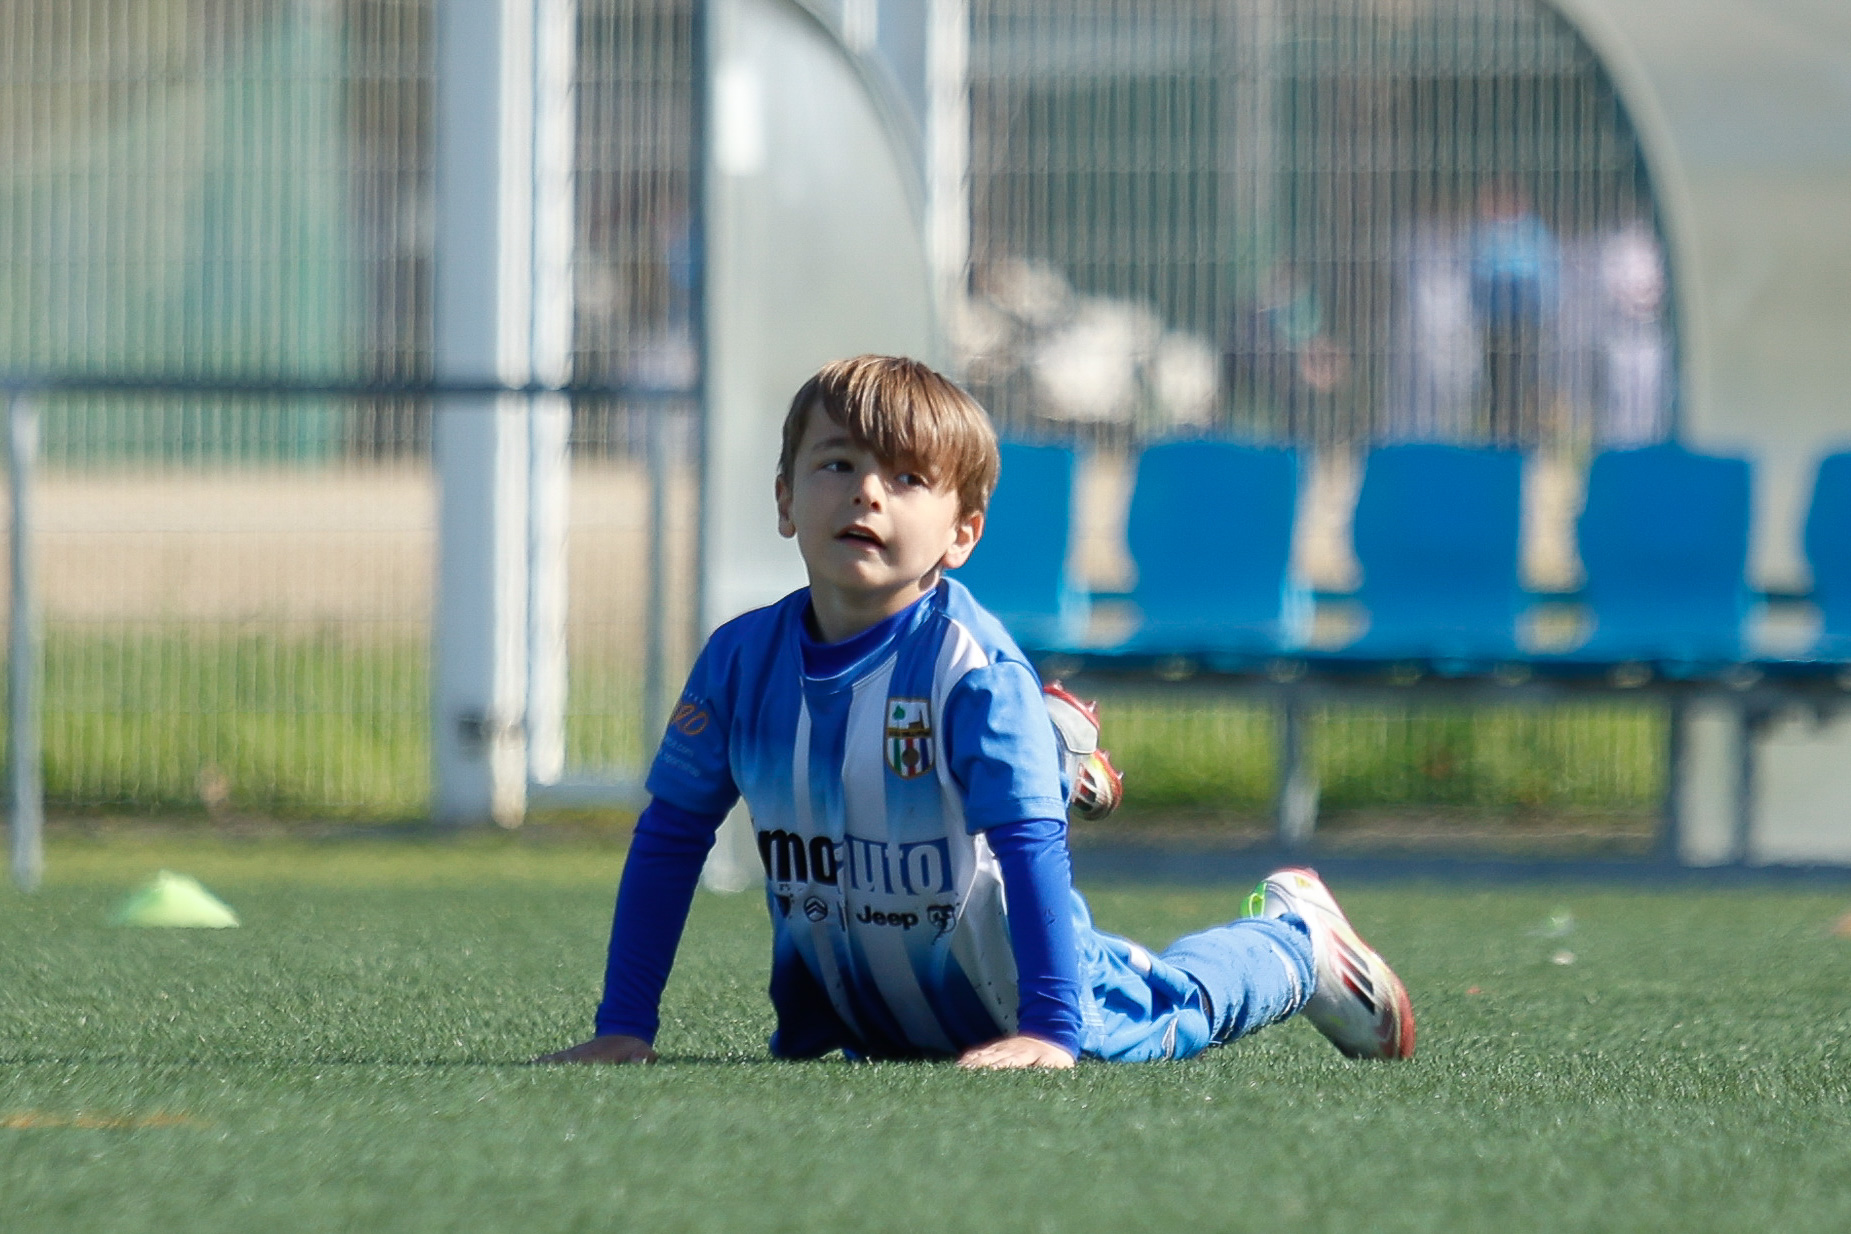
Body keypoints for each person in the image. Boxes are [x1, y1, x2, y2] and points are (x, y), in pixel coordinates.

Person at [540, 355, 1413, 1069]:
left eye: (906, 477)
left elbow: (1032, 850)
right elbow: (670, 838)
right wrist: (625, 1026)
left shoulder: (969, 670)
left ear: (962, 534)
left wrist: (1052, 1030)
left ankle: (1295, 941)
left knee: (1170, 1006)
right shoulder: (738, 661)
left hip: (1024, 988)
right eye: (837, 463)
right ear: (784, 499)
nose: (866, 492)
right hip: (877, 1024)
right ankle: (1053, 750)